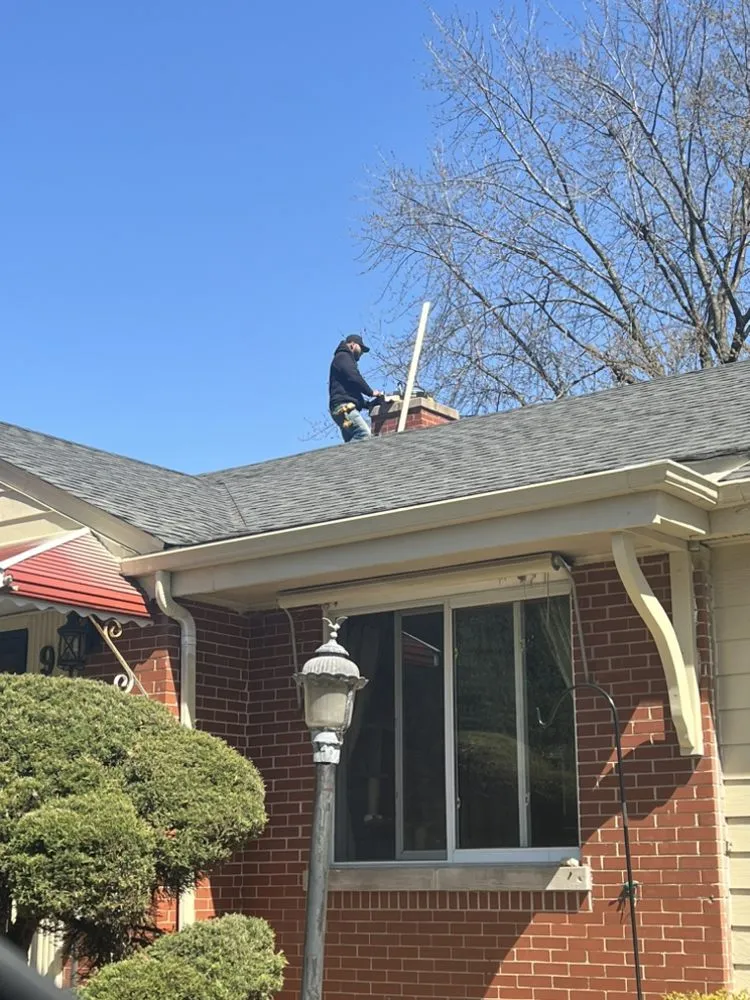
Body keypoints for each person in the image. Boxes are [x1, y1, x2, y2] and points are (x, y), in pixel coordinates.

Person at [329, 334, 384, 442]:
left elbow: (351, 390)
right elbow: (354, 377)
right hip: (344, 407)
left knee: (352, 440)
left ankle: (347, 454)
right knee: (364, 434)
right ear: (353, 345)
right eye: (361, 348)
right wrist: (371, 392)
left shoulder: (343, 359)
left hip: (342, 408)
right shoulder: (343, 357)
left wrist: (367, 404)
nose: (362, 352)